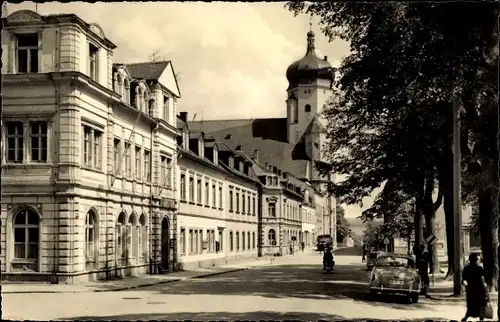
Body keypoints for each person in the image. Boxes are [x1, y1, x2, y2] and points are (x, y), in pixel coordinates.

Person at [461, 253, 490, 321]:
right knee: (481, 304)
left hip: (471, 289)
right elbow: (483, 279)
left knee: (471, 305)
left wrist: (466, 286)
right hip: (479, 289)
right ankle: (481, 319)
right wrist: (486, 289)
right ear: (476, 260)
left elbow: (464, 280)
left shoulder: (466, 268)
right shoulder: (479, 268)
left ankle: (466, 317)